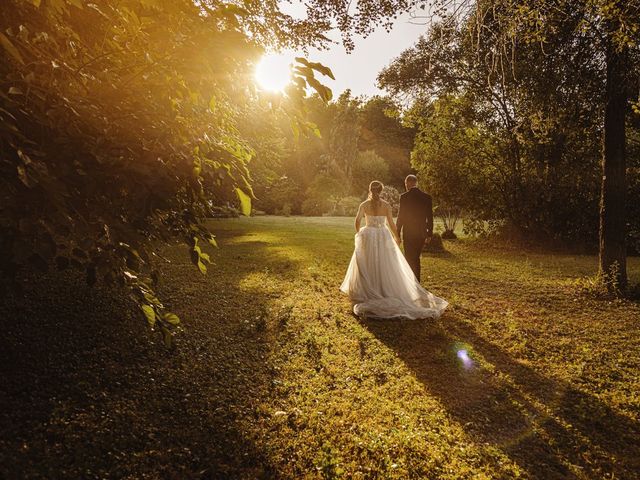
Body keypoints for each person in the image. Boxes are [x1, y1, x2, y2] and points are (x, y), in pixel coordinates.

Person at [340, 180, 447, 319]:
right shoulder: (386, 205)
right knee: (386, 262)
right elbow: (391, 223)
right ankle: (384, 289)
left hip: (368, 235)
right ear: (381, 191)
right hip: (383, 235)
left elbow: (357, 220)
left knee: (367, 262)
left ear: (370, 190)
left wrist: (358, 232)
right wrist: (397, 237)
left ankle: (368, 289)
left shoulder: (364, 205)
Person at [396, 174, 433, 282]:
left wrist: (397, 232)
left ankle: (411, 282)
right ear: (416, 183)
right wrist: (429, 233)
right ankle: (416, 281)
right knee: (416, 257)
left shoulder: (404, 197)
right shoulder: (427, 197)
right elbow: (430, 217)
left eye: (406, 184)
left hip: (408, 232)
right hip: (421, 232)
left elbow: (401, 216)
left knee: (409, 257)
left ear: (408, 183)